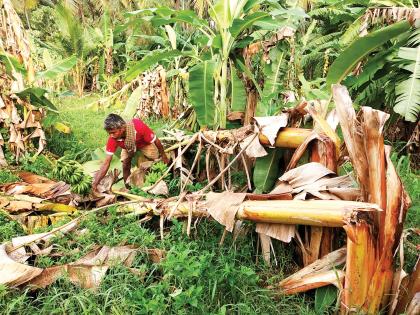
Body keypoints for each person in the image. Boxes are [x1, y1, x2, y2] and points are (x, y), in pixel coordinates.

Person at [92, 113, 169, 191]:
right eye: (109, 133)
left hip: (144, 144)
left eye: (113, 132)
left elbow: (156, 140)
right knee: (125, 164)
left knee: (155, 160)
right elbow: (106, 163)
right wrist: (95, 183)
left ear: (122, 128)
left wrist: (163, 155)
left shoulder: (139, 127)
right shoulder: (113, 139)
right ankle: (128, 188)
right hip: (127, 147)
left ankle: (154, 181)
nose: (111, 135)